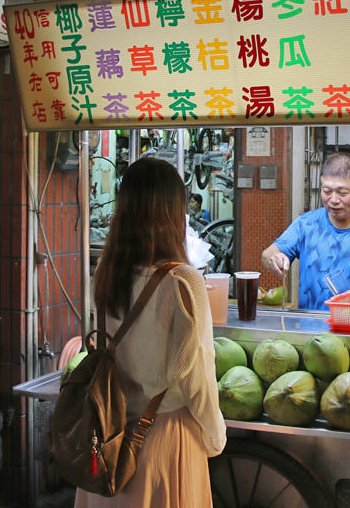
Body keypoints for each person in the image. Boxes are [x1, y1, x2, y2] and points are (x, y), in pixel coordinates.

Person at [74, 157, 226, 507]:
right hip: (163, 439)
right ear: (174, 212)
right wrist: (215, 436)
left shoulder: (107, 272)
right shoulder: (184, 280)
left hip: (110, 435)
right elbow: (196, 377)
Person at [262, 152, 350, 311]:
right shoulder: (306, 224)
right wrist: (275, 258)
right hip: (312, 329)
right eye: (327, 191)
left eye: (342, 193)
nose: (334, 200)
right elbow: (268, 253)